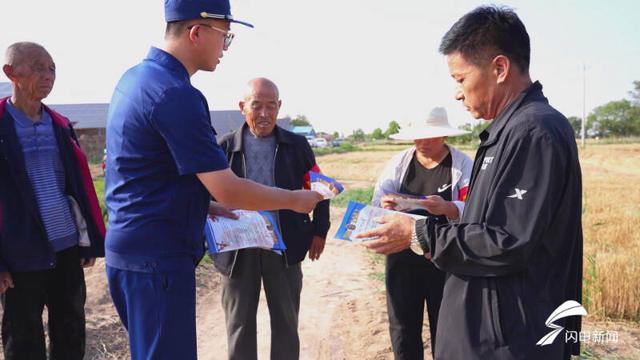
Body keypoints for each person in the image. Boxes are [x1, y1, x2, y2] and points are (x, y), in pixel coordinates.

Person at [357, 6, 583, 359]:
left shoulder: (534, 132)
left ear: (499, 68)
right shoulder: (505, 132)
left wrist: (419, 233)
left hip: (511, 341)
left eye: (461, 79)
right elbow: (485, 227)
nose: (457, 93)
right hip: (489, 335)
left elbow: (507, 241)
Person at [104, 1, 322, 359]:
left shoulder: (136, 79)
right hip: (158, 258)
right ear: (196, 32)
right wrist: (294, 200)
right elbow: (230, 188)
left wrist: (203, 204)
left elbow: (147, 175)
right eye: (225, 36)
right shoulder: (176, 94)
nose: (225, 48)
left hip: (132, 250)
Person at [0, 42, 105, 360]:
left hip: (66, 250)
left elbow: (79, 186)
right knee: (23, 342)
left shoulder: (60, 126)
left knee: (71, 334)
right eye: (37, 67)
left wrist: (89, 242)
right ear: (11, 73)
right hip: (20, 257)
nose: (48, 75)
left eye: (52, 68)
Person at [212, 78, 330, 360]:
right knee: (239, 323)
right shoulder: (223, 147)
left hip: (284, 246)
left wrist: (319, 230)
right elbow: (205, 194)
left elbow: (321, 186)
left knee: (286, 322)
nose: (264, 114)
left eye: (270, 106)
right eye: (257, 106)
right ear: (242, 107)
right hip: (238, 250)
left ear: (279, 107)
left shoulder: (297, 145)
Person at [371, 107, 472, 360]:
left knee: (447, 329)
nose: (423, 142)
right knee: (403, 329)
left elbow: (473, 207)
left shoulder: (462, 166)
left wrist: (448, 207)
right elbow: (377, 201)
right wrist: (385, 205)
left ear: (445, 136)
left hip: (445, 260)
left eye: (430, 136)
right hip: (402, 257)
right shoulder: (399, 163)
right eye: (418, 136)